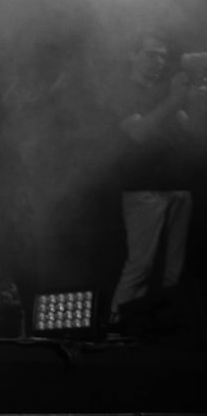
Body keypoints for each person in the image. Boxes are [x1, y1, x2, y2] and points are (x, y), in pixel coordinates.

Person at [103, 28, 206, 330]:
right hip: (143, 189)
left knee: (174, 271)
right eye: (151, 54)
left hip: (179, 187)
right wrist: (175, 99)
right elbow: (139, 133)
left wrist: (196, 102)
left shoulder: (166, 93)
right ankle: (117, 328)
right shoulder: (121, 92)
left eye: (162, 56)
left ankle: (162, 332)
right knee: (141, 266)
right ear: (132, 55)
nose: (158, 62)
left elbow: (193, 134)